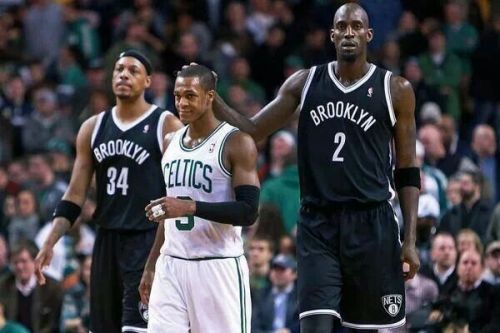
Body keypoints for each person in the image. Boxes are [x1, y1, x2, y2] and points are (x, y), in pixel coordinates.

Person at [212, 3, 420, 332]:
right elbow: (253, 131)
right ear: (332, 34)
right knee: (315, 327)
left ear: (368, 34)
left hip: (371, 223)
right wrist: (214, 100)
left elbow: (407, 169)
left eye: (356, 26)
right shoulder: (305, 83)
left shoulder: (395, 89)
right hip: (318, 224)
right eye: (342, 26)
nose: (349, 32)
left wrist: (409, 239)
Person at [33, 50, 183, 333]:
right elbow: (75, 195)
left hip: (146, 239)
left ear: (148, 80)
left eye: (133, 70)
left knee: (137, 328)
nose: (124, 75)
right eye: (119, 69)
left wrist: (158, 255)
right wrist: (50, 241)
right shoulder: (92, 127)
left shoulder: (166, 125)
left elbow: (176, 193)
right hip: (106, 240)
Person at [139, 65, 260, 333]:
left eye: (190, 95)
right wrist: (151, 265)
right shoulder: (170, 141)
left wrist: (189, 207)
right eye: (177, 95)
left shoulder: (237, 142)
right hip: (172, 263)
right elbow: (170, 213)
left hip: (217, 265)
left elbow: (249, 211)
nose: (182, 102)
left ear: (210, 97)